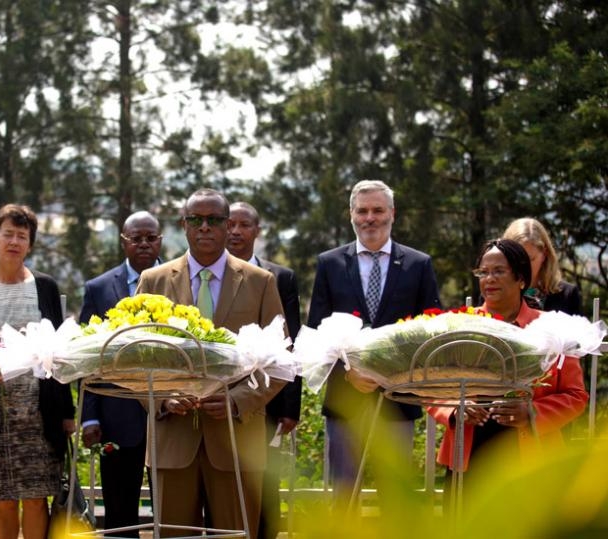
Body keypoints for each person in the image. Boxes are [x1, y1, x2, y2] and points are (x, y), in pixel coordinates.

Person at [136, 188, 286, 538]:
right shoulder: (153, 282)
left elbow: (280, 363)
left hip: (236, 439)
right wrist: (161, 400)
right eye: (196, 220)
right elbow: (133, 360)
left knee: (236, 534)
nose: (205, 227)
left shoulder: (260, 282)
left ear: (227, 225)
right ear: (183, 225)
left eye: (215, 220)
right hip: (172, 438)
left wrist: (239, 401)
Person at [306, 179, 442, 504]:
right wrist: (349, 372)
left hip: (397, 401)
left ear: (392, 213)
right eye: (362, 210)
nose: (370, 218)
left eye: (378, 210)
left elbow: (432, 327)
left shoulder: (418, 264)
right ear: (351, 215)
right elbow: (315, 332)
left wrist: (396, 374)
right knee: (343, 497)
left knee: (396, 498)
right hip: (346, 401)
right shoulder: (330, 263)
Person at [428, 239, 588, 496]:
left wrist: (533, 413)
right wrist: (455, 409)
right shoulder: (459, 326)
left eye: (499, 271)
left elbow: (576, 396)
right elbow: (432, 386)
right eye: (484, 272)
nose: (489, 279)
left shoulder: (553, 329)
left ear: (521, 279)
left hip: (531, 459)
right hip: (470, 453)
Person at [0, 204, 76, 539]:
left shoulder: (45, 286)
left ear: (30, 245)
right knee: (2, 500)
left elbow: (59, 351)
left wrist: (67, 412)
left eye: (22, 236)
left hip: (39, 411)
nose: (14, 242)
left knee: (36, 499)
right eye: (8, 234)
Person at [79, 210, 163, 537]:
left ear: (160, 239)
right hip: (116, 414)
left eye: (150, 237)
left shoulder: (179, 280)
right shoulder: (99, 289)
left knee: (170, 509)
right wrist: (89, 417)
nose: (144, 244)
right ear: (124, 242)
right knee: (118, 512)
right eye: (136, 238)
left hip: (168, 414)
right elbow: (88, 358)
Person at [226, 201, 301, 539]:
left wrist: (290, 407)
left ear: (257, 231)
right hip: (220, 398)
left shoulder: (279, 277)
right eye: (230, 224)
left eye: (244, 225)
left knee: (264, 483)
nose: (235, 231)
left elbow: (291, 342)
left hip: (266, 398)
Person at [502, 217, 582, 315]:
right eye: (516, 259)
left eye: (530, 259)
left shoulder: (567, 296)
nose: (522, 266)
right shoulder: (493, 291)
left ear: (544, 254)